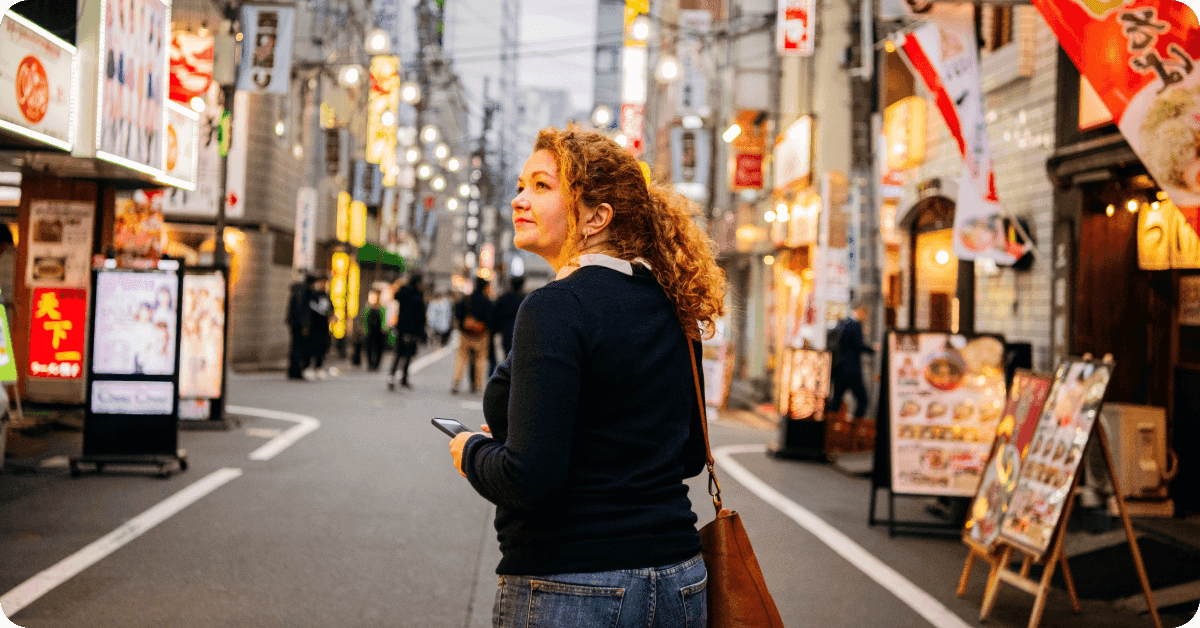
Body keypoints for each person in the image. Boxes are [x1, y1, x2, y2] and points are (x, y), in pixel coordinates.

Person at [446, 125, 725, 628]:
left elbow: (530, 481)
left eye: (542, 186)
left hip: (571, 583)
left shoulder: (555, 307)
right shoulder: (672, 305)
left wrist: (471, 451)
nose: (518, 200)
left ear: (597, 217)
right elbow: (685, 454)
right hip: (679, 579)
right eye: (520, 185)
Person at [826, 300, 878, 419]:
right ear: (860, 311)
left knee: (836, 401)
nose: (866, 317)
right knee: (863, 400)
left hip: (839, 368)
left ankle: (830, 429)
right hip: (852, 369)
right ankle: (855, 429)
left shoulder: (843, 323)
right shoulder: (856, 325)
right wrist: (872, 349)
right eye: (865, 313)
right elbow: (858, 346)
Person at [451, 276, 491, 395]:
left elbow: (458, 311)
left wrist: (463, 323)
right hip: (481, 334)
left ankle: (456, 383)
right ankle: (478, 386)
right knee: (480, 360)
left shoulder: (467, 298)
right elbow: (491, 318)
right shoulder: (486, 301)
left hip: (466, 333)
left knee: (461, 358)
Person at [388, 273, 426, 390]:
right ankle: (403, 379)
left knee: (398, 353)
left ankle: (392, 376)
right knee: (408, 355)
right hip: (413, 330)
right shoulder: (418, 295)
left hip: (401, 327)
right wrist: (421, 332)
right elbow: (421, 315)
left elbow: (394, 296)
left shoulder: (403, 291)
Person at [488, 275, 525, 365]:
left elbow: (495, 314)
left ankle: (508, 375)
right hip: (522, 332)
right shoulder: (526, 299)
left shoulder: (504, 298)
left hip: (507, 331)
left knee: (507, 354)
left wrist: (496, 329)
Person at [286, 275, 313, 380]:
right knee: (300, 348)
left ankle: (293, 370)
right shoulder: (304, 293)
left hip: (294, 324)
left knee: (294, 346)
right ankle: (296, 371)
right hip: (300, 325)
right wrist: (305, 326)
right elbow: (304, 311)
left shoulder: (297, 292)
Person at [306, 277, 333, 380]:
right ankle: (308, 367)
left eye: (325, 283)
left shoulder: (327, 296)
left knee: (322, 347)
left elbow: (331, 311)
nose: (323, 285)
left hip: (324, 326)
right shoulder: (312, 295)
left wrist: (332, 319)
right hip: (313, 326)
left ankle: (319, 367)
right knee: (311, 347)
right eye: (321, 283)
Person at [364, 291, 386, 371]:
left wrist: (384, 328)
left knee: (379, 349)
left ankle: (376, 365)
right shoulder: (368, 308)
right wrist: (365, 330)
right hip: (370, 331)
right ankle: (370, 364)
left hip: (379, 332)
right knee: (369, 348)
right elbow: (364, 319)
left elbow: (384, 320)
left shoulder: (382, 308)